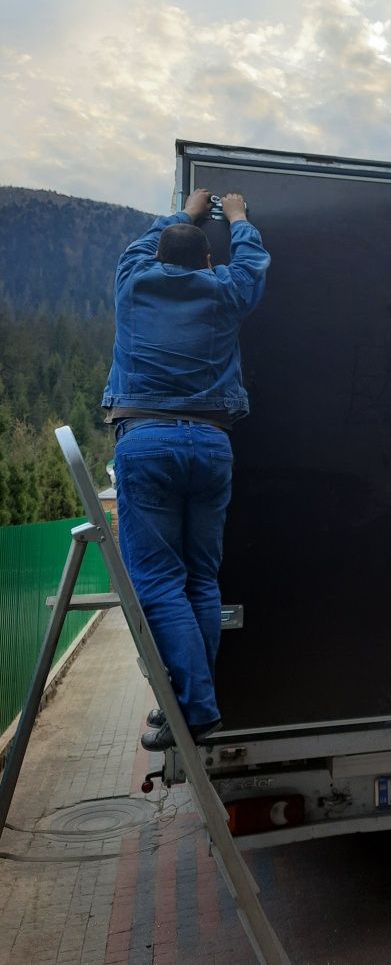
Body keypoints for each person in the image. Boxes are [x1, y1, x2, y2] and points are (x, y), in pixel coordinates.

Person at [102, 188, 270, 751]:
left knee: (157, 581)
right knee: (201, 578)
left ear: (157, 259)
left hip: (146, 440)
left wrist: (185, 213)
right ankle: (190, 705)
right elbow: (251, 263)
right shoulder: (225, 290)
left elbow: (141, 246)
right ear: (206, 262)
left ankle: (194, 708)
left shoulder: (131, 282)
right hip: (211, 443)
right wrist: (240, 217)